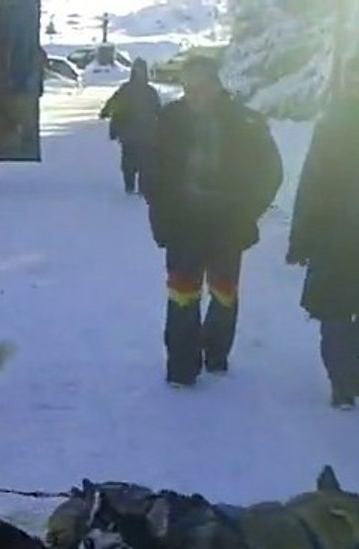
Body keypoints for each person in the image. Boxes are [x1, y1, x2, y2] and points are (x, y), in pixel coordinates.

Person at [142, 55, 282, 387]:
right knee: (182, 295)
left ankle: (216, 353)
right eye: (187, 88)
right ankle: (182, 367)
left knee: (223, 293)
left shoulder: (245, 121)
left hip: (227, 225)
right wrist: (161, 214)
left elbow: (271, 172)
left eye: (200, 87)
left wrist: (248, 212)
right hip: (183, 225)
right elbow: (152, 173)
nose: (193, 95)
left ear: (216, 86)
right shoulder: (168, 120)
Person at [286, 64, 359, 409]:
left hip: (335, 235)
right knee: (338, 312)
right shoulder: (331, 123)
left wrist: (301, 238)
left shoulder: (332, 123)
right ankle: (347, 380)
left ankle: (343, 384)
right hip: (337, 234)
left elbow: (311, 183)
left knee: (336, 311)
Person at [99, 57, 161, 194]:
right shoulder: (148, 91)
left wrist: (105, 112)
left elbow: (114, 103)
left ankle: (132, 186)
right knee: (141, 160)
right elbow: (159, 110)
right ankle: (137, 186)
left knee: (132, 160)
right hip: (143, 133)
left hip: (132, 133)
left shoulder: (127, 89)